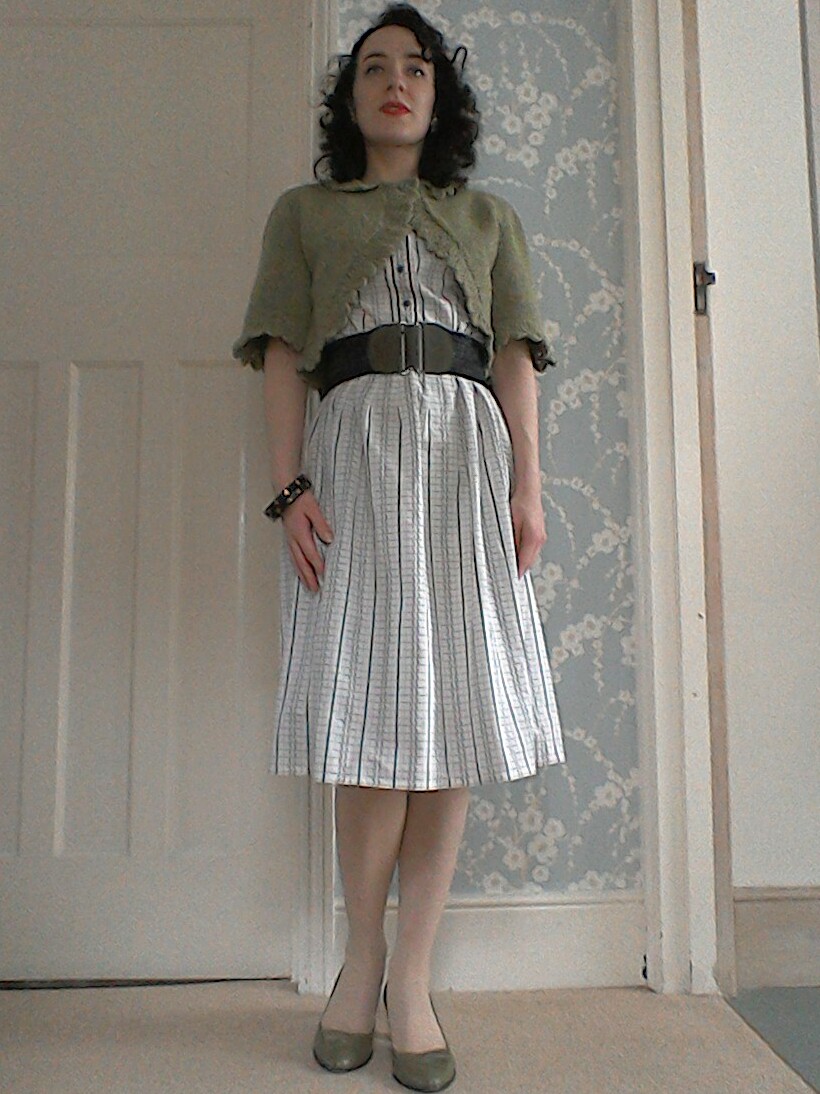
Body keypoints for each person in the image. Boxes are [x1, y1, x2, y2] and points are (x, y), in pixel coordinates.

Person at [232, 4, 566, 1090]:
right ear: (350, 98)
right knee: (372, 714)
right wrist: (290, 487)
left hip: (465, 458)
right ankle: (361, 959)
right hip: (358, 454)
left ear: (438, 95)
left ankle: (412, 977)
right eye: (373, 67)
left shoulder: (487, 217)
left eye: (415, 68)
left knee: (452, 712)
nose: (394, 82)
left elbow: (514, 356)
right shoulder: (304, 213)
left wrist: (527, 485)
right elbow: (282, 350)